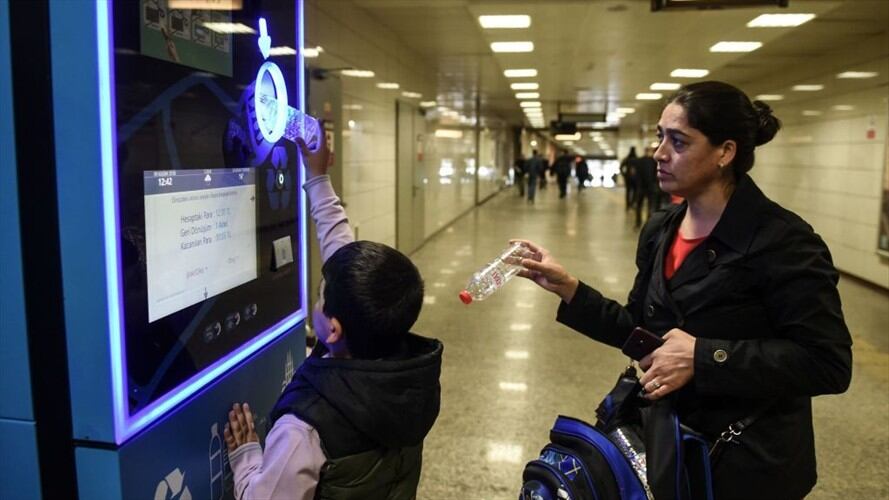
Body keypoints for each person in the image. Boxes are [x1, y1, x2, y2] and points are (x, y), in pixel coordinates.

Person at [513, 81, 852, 499]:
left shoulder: (783, 241)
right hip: (672, 450)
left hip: (748, 462)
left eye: (678, 141)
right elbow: (639, 332)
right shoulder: (661, 229)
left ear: (724, 153)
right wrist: (570, 289)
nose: (659, 153)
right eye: (660, 137)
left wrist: (704, 357)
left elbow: (827, 362)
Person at [224, 135, 443, 500]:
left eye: (321, 293)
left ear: (334, 328)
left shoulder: (304, 428)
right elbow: (342, 254)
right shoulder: (408, 372)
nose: (317, 295)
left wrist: (246, 457)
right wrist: (318, 177)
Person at [631, 146, 659, 229]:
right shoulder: (654, 161)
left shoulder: (638, 161)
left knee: (639, 205)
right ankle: (648, 223)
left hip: (641, 187)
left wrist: (637, 184)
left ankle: (638, 222)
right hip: (650, 187)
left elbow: (635, 174)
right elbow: (656, 174)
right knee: (650, 205)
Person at [619, 146, 638, 211]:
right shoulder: (637, 159)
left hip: (628, 178)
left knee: (628, 192)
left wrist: (624, 175)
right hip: (635, 179)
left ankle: (628, 205)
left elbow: (621, 167)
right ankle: (632, 203)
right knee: (635, 192)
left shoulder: (626, 159)